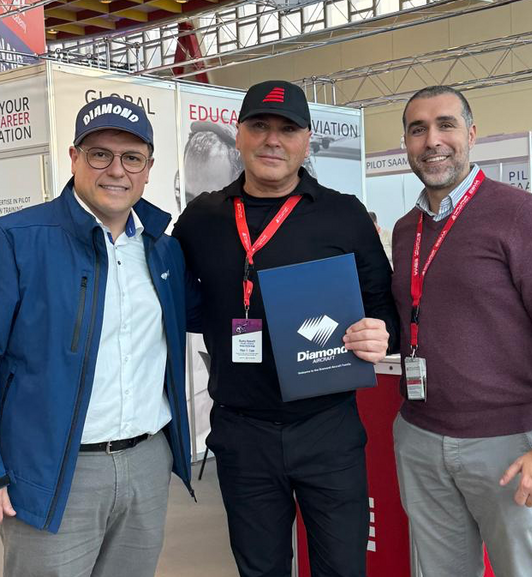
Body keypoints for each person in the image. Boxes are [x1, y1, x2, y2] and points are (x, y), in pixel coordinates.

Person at [0, 96, 194, 577]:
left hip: (146, 463)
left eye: (131, 157)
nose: (116, 170)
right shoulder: (11, 240)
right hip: (53, 471)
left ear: (149, 169)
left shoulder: (163, 252)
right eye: (100, 154)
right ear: (74, 158)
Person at [172, 80, 398, 577]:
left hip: (328, 429)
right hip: (242, 432)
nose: (273, 140)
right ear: (240, 135)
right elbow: (176, 298)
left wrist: (380, 335)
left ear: (306, 139)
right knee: (260, 570)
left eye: (287, 129)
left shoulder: (343, 214)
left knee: (342, 569)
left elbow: (385, 308)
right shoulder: (202, 217)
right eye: (260, 126)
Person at [389, 85, 532, 577]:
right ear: (406, 142)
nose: (432, 140)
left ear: (471, 134)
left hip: (508, 443)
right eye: (418, 129)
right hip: (420, 436)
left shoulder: (524, 216)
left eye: (446, 125)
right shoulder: (404, 231)